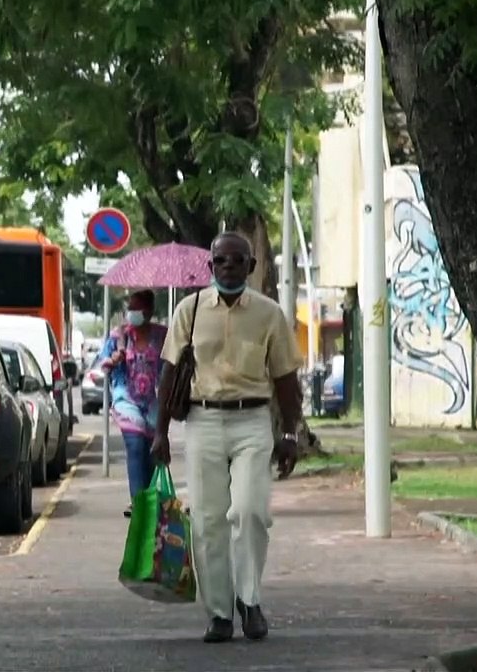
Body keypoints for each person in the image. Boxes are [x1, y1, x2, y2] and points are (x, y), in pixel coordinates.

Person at [152, 231, 303, 644]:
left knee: (251, 512)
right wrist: (160, 432)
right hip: (202, 422)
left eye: (238, 260)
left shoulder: (270, 314)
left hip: (253, 421)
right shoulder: (191, 309)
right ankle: (219, 612)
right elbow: (170, 373)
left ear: (251, 267)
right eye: (221, 260)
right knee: (206, 520)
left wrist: (291, 433)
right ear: (211, 266)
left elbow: (287, 380)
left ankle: (249, 600)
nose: (229, 267)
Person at [98, 289, 168, 516]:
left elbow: (171, 365)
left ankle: (149, 498)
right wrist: (114, 359)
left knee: (152, 451)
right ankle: (138, 502)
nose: (132, 312)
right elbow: (103, 365)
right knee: (135, 445)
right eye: (130, 307)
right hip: (126, 398)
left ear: (149, 311)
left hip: (155, 400)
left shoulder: (163, 335)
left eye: (137, 308)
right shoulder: (120, 336)